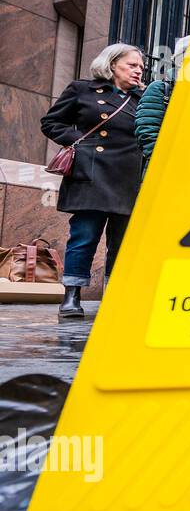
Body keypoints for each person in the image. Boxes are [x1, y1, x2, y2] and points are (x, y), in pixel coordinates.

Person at [40, 43, 145, 319]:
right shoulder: (82, 90)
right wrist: (81, 144)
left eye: (141, 67)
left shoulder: (144, 99)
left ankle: (114, 295)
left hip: (128, 179)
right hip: (91, 173)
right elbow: (51, 122)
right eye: (132, 65)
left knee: (121, 242)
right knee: (84, 236)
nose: (139, 70)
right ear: (112, 65)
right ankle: (72, 296)